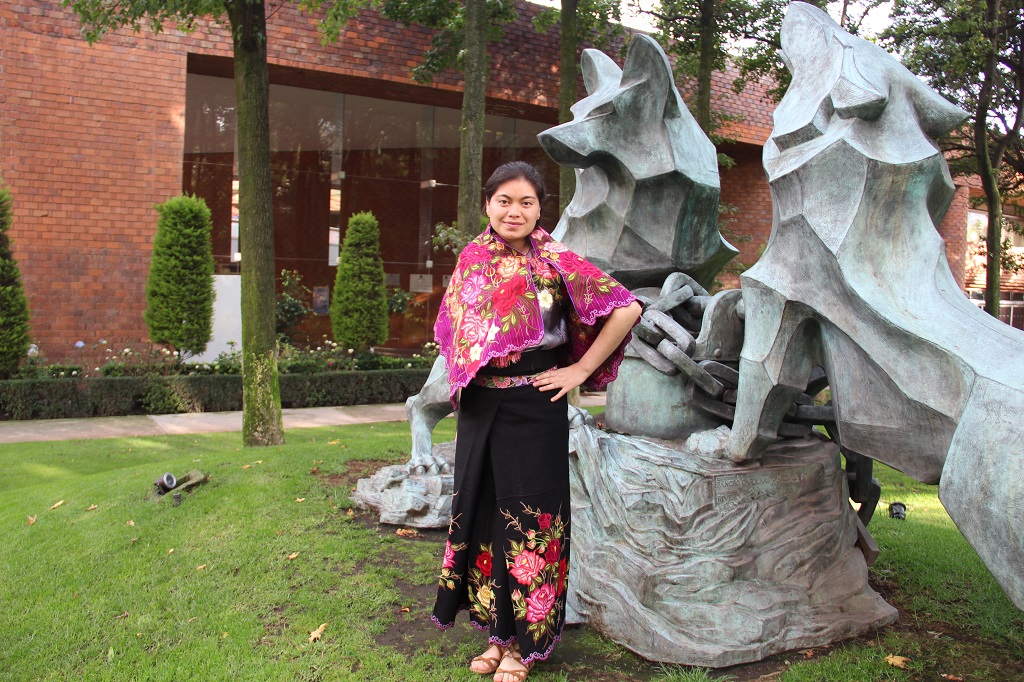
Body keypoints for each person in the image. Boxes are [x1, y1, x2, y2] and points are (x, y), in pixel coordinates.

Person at [431, 161, 642, 682]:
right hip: (481, 410)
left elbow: (626, 307)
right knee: (482, 519)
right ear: (488, 204)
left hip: (535, 406)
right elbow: (459, 334)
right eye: (504, 200)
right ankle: (497, 636)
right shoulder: (472, 259)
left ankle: (527, 648)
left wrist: (582, 368)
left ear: (539, 208)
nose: (514, 211)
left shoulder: (557, 261)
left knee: (530, 527)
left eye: (526, 202)